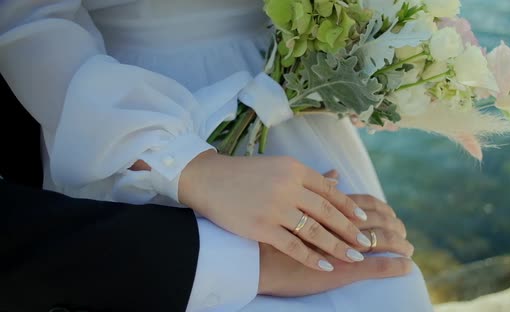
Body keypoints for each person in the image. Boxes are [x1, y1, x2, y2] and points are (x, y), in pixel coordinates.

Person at [0, 1, 434, 311]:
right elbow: (28, 21)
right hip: (124, 118)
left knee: (379, 289)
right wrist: (187, 164)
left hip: (294, 93)